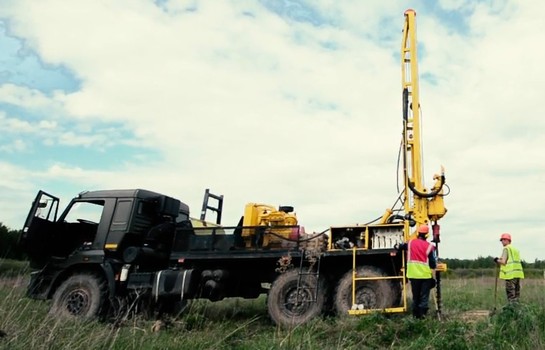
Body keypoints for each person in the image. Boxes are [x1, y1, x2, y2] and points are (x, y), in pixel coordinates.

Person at [397, 224, 437, 319]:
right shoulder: (429, 247)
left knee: (416, 297)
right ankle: (422, 316)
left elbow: (401, 247)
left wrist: (397, 247)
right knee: (424, 297)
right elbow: (432, 263)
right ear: (427, 235)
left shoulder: (410, 243)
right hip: (425, 276)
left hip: (413, 275)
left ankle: (415, 316)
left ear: (418, 233)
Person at [494, 233, 524, 303]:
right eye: (501, 240)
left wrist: (496, 260)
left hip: (510, 275)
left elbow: (503, 261)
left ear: (508, 240)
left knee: (511, 294)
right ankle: (517, 310)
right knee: (517, 294)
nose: (502, 242)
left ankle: (511, 310)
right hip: (517, 274)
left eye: (503, 240)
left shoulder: (506, 249)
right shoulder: (515, 250)